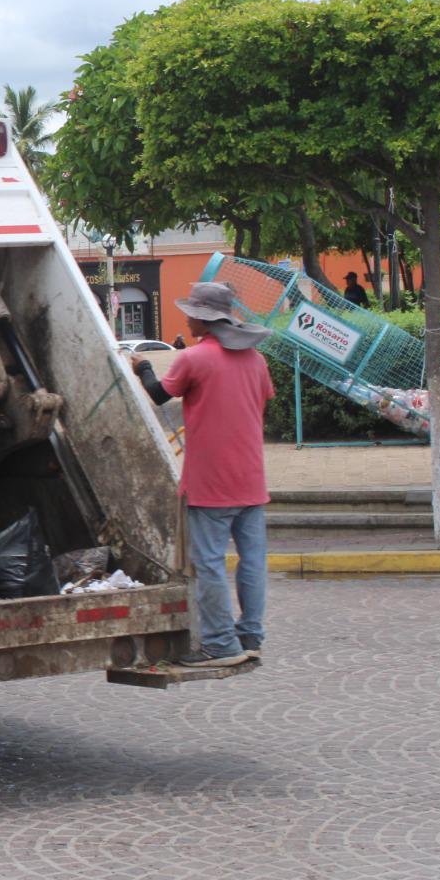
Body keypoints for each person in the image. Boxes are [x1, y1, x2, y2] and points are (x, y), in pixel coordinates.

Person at [130, 282, 273, 668]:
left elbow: (160, 394)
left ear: (205, 318)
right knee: (253, 561)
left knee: (209, 563)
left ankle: (221, 644)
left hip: (210, 482)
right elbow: (260, 403)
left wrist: (142, 367)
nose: (187, 317)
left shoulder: (193, 358)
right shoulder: (256, 360)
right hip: (251, 478)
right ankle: (251, 636)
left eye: (192, 312)